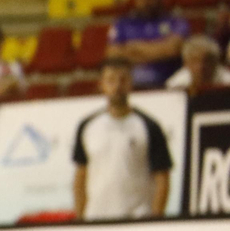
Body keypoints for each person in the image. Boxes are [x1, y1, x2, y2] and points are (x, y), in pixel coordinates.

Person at [72, 56, 173, 221]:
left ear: (130, 83)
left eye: (123, 80)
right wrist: (81, 217)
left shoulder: (149, 126)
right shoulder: (88, 126)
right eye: (111, 80)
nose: (117, 86)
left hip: (137, 218)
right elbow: (80, 177)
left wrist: (156, 220)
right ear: (101, 85)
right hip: (95, 218)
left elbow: (162, 178)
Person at [106, 0, 189, 89]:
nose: (145, 0)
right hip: (132, 86)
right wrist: (159, 49)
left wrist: (133, 48)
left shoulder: (175, 21)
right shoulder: (122, 23)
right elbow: (113, 55)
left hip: (169, 84)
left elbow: (173, 49)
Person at [165, 35, 230, 92]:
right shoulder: (175, 85)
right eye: (195, 61)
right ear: (186, 63)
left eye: (207, 61)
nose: (201, 67)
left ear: (215, 62)